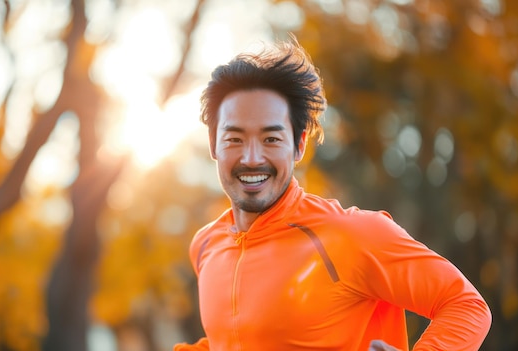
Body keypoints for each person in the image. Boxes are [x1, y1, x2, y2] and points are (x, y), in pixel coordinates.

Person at [174, 37, 491, 351]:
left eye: (271, 139)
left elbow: (465, 305)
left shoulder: (353, 235)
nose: (252, 158)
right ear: (214, 144)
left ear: (299, 146)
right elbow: (236, 337)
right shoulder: (205, 245)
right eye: (234, 139)